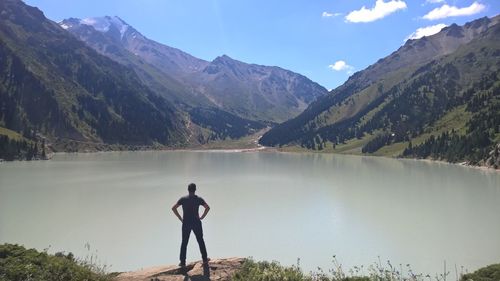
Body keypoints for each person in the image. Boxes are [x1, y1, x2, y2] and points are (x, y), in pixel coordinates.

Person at [172, 183, 210, 267]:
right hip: (196, 222)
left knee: (184, 242)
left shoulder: (183, 199)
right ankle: (205, 260)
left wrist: (180, 218)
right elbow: (207, 207)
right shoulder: (199, 199)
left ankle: (182, 262)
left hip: (186, 223)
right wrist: (202, 217)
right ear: (195, 189)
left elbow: (173, 208)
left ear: (188, 190)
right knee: (200, 240)